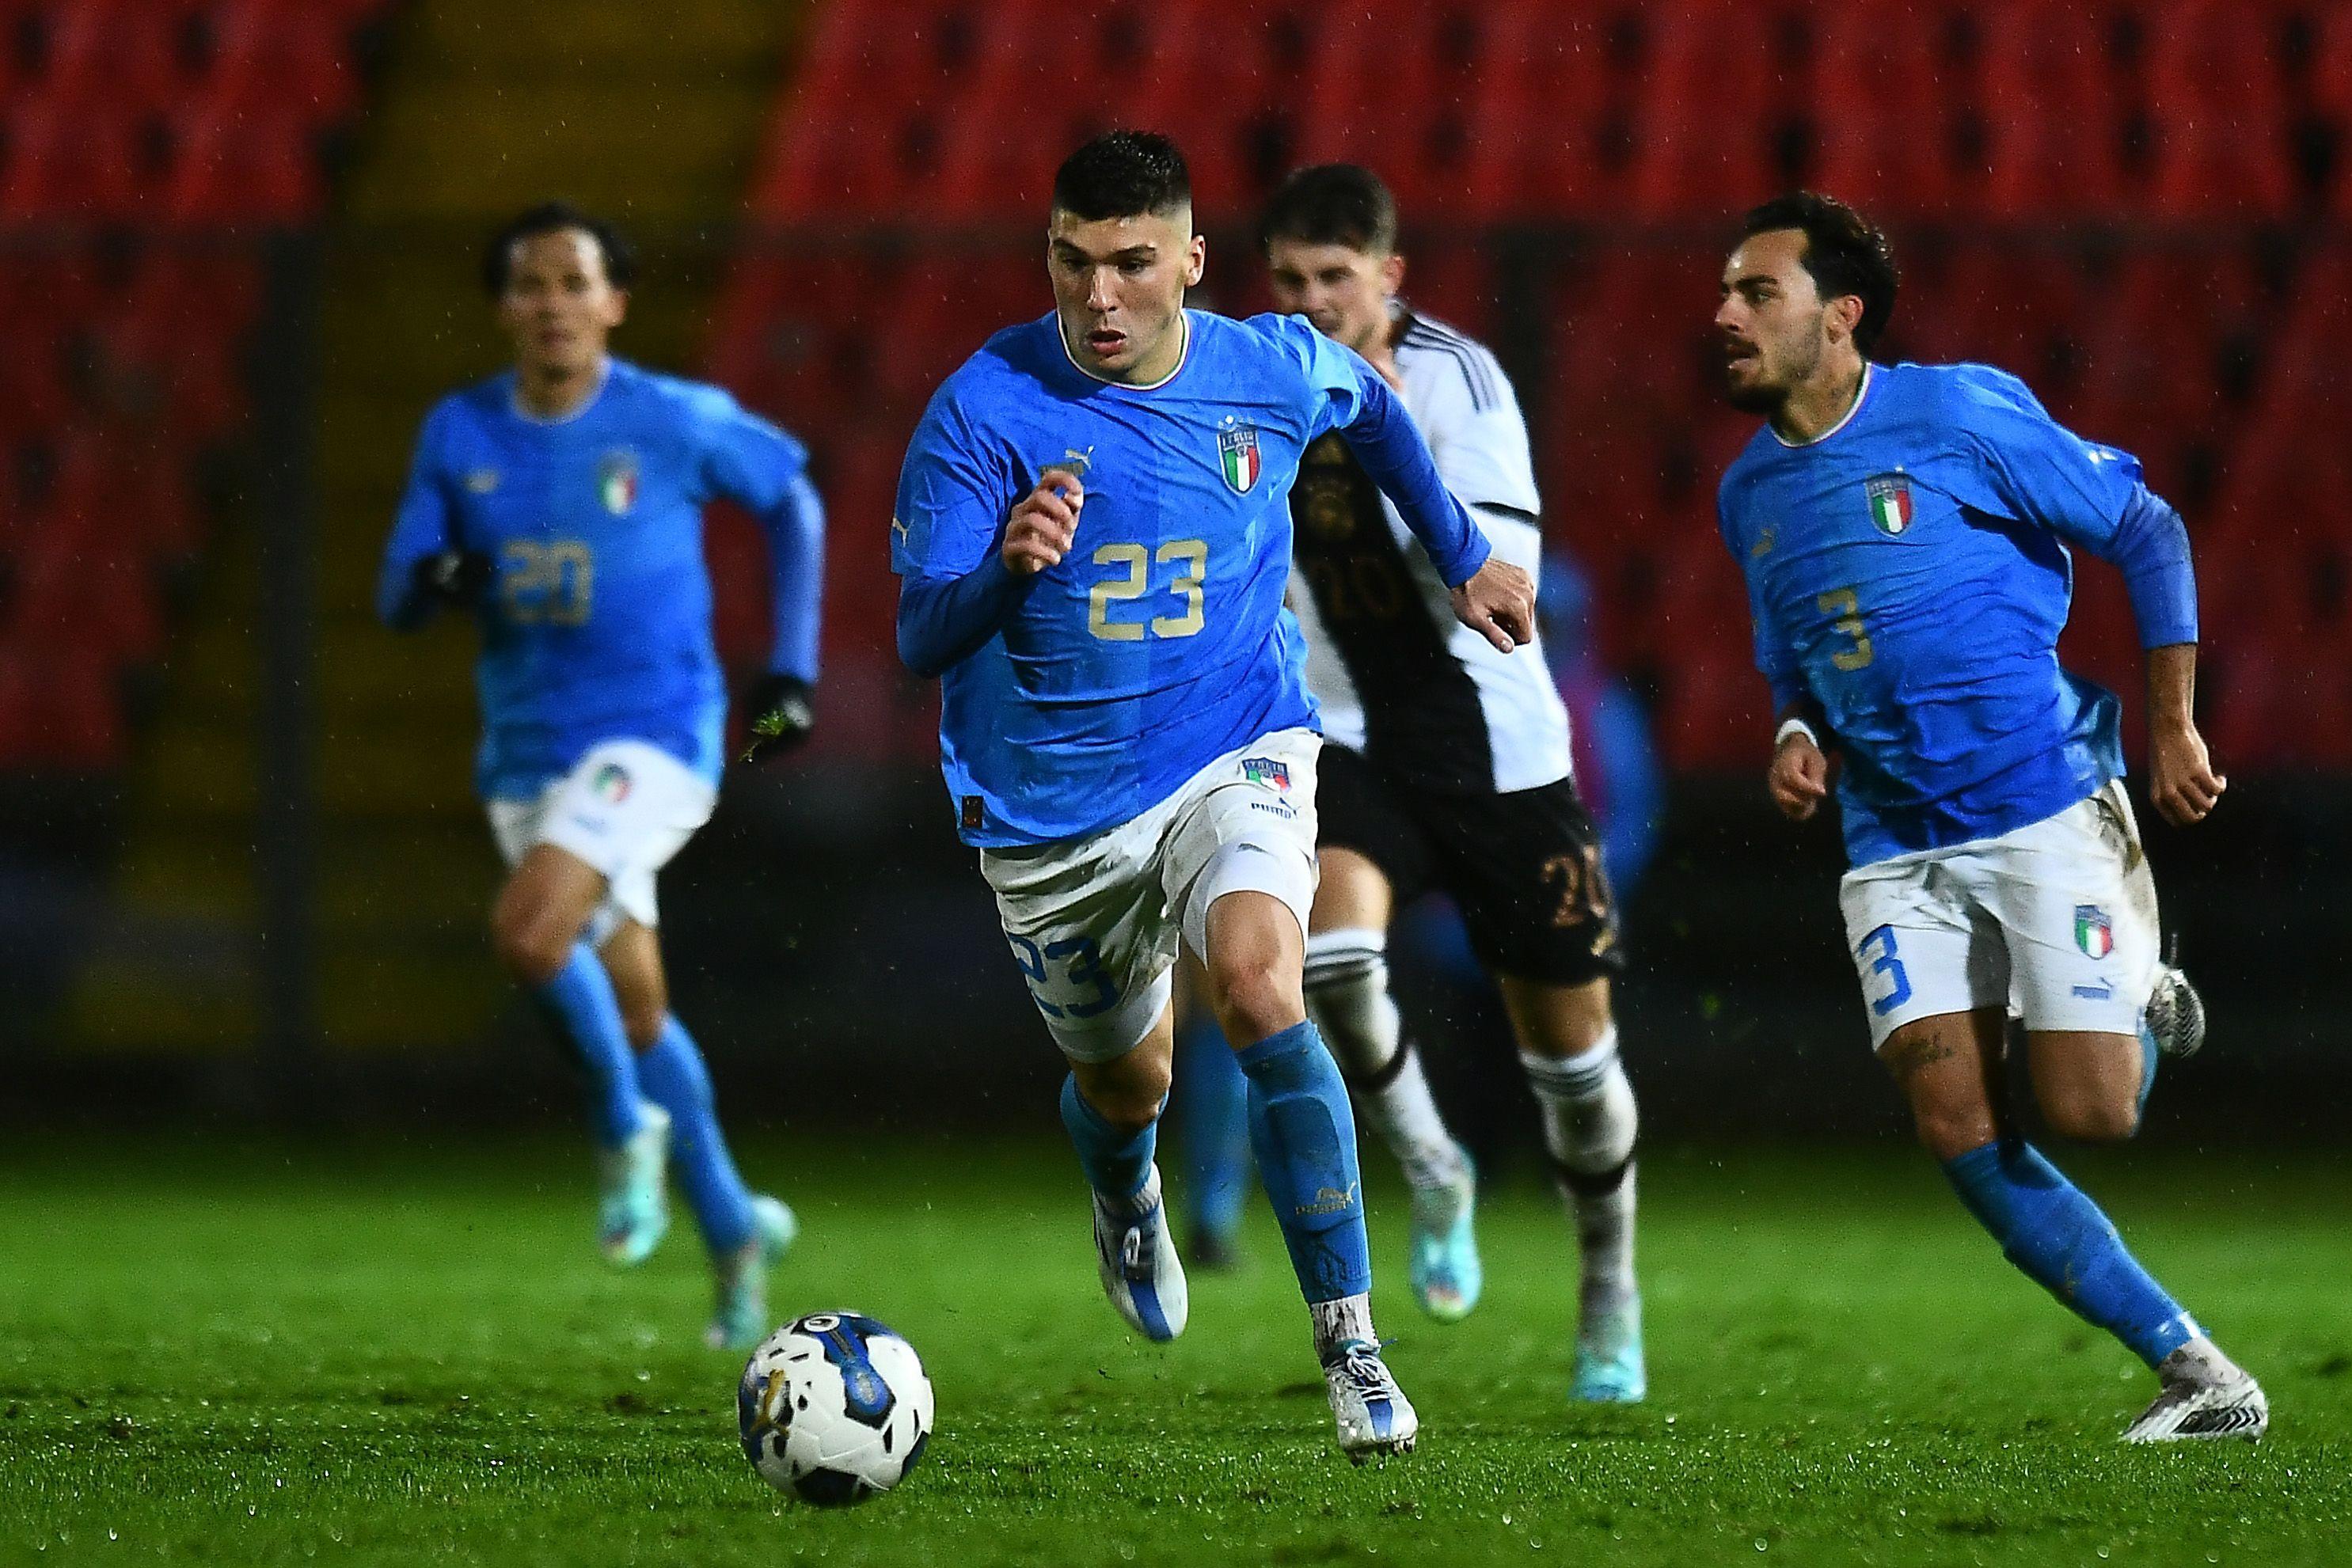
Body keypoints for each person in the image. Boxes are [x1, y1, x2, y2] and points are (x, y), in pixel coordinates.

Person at [890, 131, 1536, 1459]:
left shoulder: (1268, 366)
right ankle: (1127, 1192)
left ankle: (1351, 1344)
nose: (1102, 297)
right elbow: (922, 635)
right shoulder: (982, 410)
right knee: (1128, 1084)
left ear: (1190, 261)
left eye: (1133, 264)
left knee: (1258, 984)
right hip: (1053, 808)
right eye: (1075, 263)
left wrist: (1465, 553)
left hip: (1236, 745)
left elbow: (1368, 396)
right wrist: (1008, 570)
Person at [1713, 191, 2265, 1441]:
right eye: (1725, 294)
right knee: (1952, 1117)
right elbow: (1793, 661)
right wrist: (1797, 734)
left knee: (2090, 1113)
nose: (1726, 315)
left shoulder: (1955, 411)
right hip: (1890, 840)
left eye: (1758, 293)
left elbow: (2146, 525)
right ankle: (2201, 1375)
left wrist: (2174, 723)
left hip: (2042, 804)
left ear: (1841, 316)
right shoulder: (1748, 493)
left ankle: (2132, 983)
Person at [377, 202, 823, 1350]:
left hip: (657, 738)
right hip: (529, 759)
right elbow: (396, 596)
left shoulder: (671, 419)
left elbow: (791, 500)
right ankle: (732, 1225)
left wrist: (792, 666)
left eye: (575, 281)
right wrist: (442, 576)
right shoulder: (461, 433)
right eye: (530, 283)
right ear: (502, 306)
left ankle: (624, 1133)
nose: (553, 303)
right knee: (635, 1008)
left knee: (530, 936)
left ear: (615, 302)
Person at [1252, 164, 1645, 1403]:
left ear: (1390, 279)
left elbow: (1495, 574)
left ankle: (1608, 1284)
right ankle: (1435, 1169)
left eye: (1336, 280)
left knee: (1575, 1065)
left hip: (1496, 745)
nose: (1313, 304)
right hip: (1351, 729)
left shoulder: (1460, 383)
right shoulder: (1259, 381)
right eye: (1292, 281)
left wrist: (1369, 457)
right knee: (1334, 963)